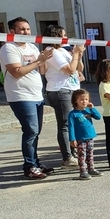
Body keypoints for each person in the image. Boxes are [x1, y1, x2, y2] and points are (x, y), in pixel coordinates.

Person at [0, 17, 55, 179]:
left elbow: (42, 70)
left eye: (28, 29)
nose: (26, 32)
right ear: (12, 32)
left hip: (37, 95)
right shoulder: (8, 48)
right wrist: (39, 61)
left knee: (36, 132)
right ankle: (29, 166)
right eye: (22, 29)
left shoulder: (31, 46)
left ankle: (36, 163)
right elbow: (17, 72)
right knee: (30, 131)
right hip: (20, 96)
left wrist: (44, 59)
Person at [42, 25, 84, 168]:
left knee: (73, 122)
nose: (66, 38)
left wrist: (78, 54)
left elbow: (79, 68)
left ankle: (72, 152)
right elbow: (69, 70)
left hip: (72, 88)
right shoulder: (51, 51)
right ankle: (67, 157)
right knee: (65, 124)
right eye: (63, 35)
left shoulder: (62, 50)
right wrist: (76, 55)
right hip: (61, 90)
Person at [67, 89, 103, 179]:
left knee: (90, 153)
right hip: (80, 138)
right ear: (76, 101)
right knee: (82, 155)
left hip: (90, 136)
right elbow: (70, 127)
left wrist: (92, 108)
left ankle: (91, 169)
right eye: (82, 99)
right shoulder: (73, 114)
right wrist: (72, 139)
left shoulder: (88, 110)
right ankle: (83, 171)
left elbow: (98, 117)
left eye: (86, 99)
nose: (84, 101)